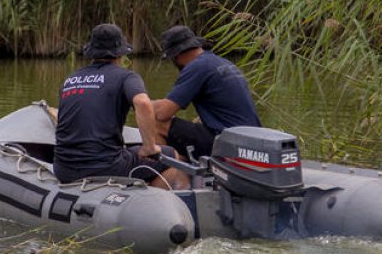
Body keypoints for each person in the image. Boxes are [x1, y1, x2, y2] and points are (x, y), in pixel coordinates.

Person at [54, 24, 189, 189]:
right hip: (105, 167)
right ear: (120, 55)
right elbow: (143, 103)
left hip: (63, 169)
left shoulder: (71, 79)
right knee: (170, 155)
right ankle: (152, 199)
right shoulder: (126, 77)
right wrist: (149, 147)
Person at [153, 25, 262, 159]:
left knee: (155, 122)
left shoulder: (196, 67)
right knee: (195, 123)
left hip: (227, 144)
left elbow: (163, 113)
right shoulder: (222, 63)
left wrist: (143, 105)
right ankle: (186, 162)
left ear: (177, 55)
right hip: (252, 143)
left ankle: (168, 169)